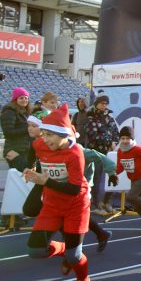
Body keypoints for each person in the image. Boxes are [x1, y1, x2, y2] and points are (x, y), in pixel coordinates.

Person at [23, 104, 91, 281]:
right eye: (43, 134)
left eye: (49, 135)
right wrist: (30, 167)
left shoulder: (75, 153)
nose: (45, 139)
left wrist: (45, 181)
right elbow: (33, 146)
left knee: (74, 257)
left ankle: (83, 278)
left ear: (64, 135)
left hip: (76, 205)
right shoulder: (41, 143)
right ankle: (63, 248)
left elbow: (74, 189)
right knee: (35, 251)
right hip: (52, 204)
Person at [84, 95, 119, 216]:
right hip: (96, 153)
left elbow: (116, 132)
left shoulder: (109, 118)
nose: (104, 106)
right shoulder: (90, 117)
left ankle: (106, 202)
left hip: (109, 153)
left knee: (112, 176)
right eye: (102, 103)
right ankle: (95, 204)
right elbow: (92, 134)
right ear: (96, 104)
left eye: (105, 103)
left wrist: (114, 142)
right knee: (96, 179)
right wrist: (108, 142)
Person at [2, 86, 33, 172]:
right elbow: (8, 132)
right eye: (21, 98)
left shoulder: (25, 112)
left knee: (25, 177)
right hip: (14, 150)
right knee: (20, 176)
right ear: (15, 99)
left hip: (25, 150)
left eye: (26, 98)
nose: (24, 100)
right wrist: (28, 129)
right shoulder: (9, 111)